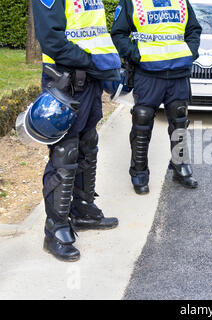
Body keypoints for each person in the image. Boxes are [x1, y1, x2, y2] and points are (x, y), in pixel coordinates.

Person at [33, 0, 122, 261]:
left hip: (90, 78)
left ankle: (82, 209)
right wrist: (92, 61)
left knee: (87, 144)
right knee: (65, 152)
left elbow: (93, 32)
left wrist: (105, 65)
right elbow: (51, 39)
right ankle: (56, 228)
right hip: (65, 79)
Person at [111, 0, 202, 195]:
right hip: (148, 73)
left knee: (179, 121)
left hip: (178, 73)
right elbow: (118, 34)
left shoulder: (180, 2)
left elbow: (193, 29)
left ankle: (180, 167)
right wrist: (136, 55)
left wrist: (190, 51)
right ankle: (139, 172)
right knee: (142, 122)